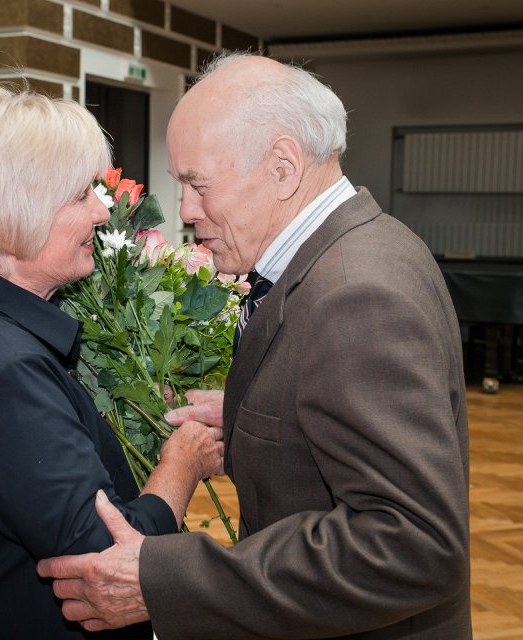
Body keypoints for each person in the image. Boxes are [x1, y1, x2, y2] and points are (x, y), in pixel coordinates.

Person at [37, 53, 471, 639]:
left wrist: (163, 580)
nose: (185, 212)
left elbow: (414, 545)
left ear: (283, 167)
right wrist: (250, 414)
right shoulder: (355, 248)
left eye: (197, 184)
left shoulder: (356, 295)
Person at [0, 85, 224, 639]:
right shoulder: (2, 373)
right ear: (14, 221)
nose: (104, 210)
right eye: (81, 194)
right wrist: (183, 463)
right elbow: (108, 563)